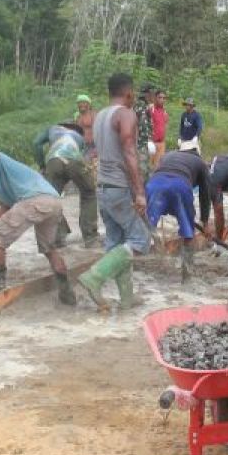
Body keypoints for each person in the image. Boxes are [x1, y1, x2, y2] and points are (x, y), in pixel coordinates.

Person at [0, 140, 77, 305]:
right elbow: (6, 209)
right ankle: (66, 292)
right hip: (53, 203)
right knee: (49, 249)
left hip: (34, 200)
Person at [79, 73, 152, 312]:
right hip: (119, 188)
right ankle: (95, 276)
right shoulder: (125, 114)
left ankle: (126, 298)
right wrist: (139, 193)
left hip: (102, 187)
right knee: (141, 240)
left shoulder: (100, 116)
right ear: (129, 93)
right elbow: (130, 153)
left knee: (117, 243)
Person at [146, 140, 212, 282]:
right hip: (180, 186)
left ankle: (143, 269)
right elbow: (205, 195)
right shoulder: (200, 162)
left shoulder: (168, 155)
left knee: (146, 228)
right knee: (188, 233)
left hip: (155, 185)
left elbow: (155, 171)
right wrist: (205, 222)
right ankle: (187, 277)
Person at [31, 122, 98, 248]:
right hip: (74, 160)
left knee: (50, 199)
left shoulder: (52, 129)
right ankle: (90, 237)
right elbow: (79, 160)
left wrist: (42, 165)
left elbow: (36, 143)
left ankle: (58, 238)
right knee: (88, 194)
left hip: (53, 161)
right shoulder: (79, 138)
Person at [133, 84, 155, 181]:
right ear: (148, 94)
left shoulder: (142, 105)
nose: (153, 96)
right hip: (141, 143)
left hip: (142, 143)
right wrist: (148, 139)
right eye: (152, 94)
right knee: (143, 170)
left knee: (146, 168)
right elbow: (143, 123)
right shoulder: (141, 105)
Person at [150, 90, 170, 167]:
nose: (162, 100)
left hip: (161, 143)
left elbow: (166, 124)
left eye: (164, 98)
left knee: (159, 167)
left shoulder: (164, 111)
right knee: (149, 166)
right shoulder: (150, 109)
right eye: (160, 97)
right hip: (151, 143)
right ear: (155, 98)